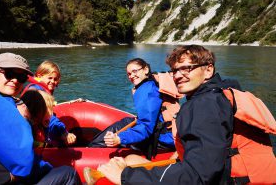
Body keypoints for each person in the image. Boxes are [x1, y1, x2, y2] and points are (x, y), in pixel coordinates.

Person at [95, 45, 276, 184]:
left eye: (187, 68)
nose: (178, 75)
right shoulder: (220, 93)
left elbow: (197, 175)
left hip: (225, 179)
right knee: (132, 158)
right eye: (175, 70)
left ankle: (93, 148)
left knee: (129, 162)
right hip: (231, 175)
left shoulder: (205, 104)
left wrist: (126, 176)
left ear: (208, 70)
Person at [0, 52, 80, 184]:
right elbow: (24, 164)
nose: (15, 80)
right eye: (9, 74)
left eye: (21, 76)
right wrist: (24, 119)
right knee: (68, 174)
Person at [89, 58, 175, 158]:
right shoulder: (153, 82)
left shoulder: (147, 90)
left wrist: (119, 138)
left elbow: (146, 127)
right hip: (166, 132)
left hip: (162, 138)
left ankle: (90, 152)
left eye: (135, 71)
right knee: (125, 121)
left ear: (146, 69)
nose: (132, 76)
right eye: (129, 74)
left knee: (116, 130)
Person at [23, 60, 77, 147]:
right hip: (33, 138)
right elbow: (49, 118)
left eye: (55, 79)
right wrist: (64, 132)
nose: (53, 81)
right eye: (50, 78)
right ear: (39, 76)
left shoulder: (38, 88)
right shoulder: (37, 93)